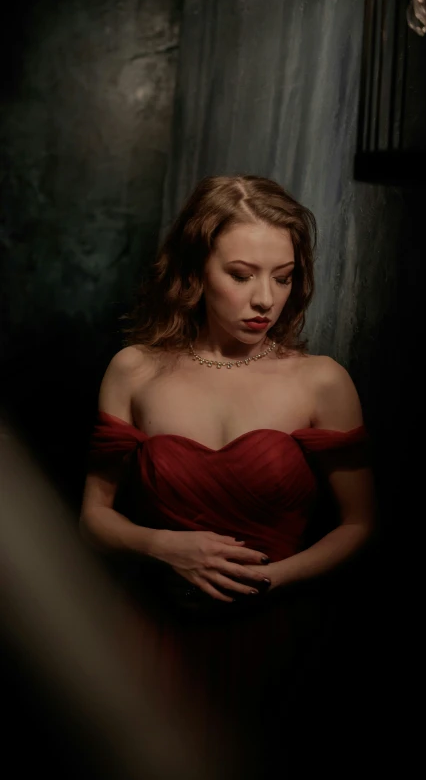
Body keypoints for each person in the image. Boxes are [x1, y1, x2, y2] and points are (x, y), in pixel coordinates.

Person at [80, 175, 375, 779]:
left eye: (284, 276)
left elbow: (361, 523)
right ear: (195, 271)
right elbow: (94, 516)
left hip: (281, 645)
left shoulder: (320, 381)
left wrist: (270, 579)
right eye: (241, 275)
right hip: (155, 639)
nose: (266, 299)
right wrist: (163, 546)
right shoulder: (134, 372)